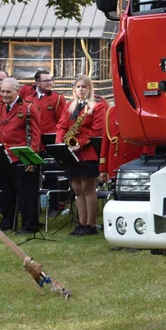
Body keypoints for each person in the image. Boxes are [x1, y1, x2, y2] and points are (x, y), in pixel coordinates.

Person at [0, 77, 43, 233]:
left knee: (25, 194)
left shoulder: (28, 108)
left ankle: (29, 225)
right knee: (6, 194)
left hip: (21, 156)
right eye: (2, 91)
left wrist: (31, 159)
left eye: (8, 92)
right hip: (3, 158)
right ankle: (8, 223)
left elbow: (35, 135)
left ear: (17, 90)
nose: (5, 95)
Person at [56, 75, 107, 236]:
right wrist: (60, 142)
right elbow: (62, 125)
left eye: (84, 87)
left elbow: (97, 130)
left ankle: (90, 225)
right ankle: (81, 223)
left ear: (89, 89)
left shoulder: (97, 106)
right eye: (78, 87)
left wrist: (81, 143)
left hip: (88, 151)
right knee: (77, 189)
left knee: (87, 187)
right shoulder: (70, 106)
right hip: (71, 151)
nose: (80, 90)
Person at [25, 71, 67, 139]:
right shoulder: (28, 99)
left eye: (50, 80)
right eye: (46, 81)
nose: (49, 83)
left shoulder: (58, 98)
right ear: (37, 83)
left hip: (50, 138)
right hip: (33, 138)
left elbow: (62, 122)